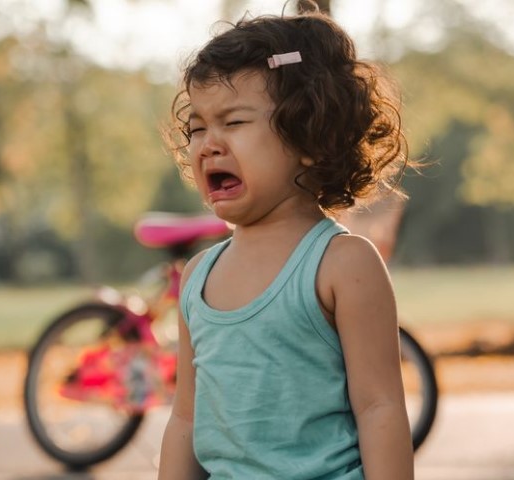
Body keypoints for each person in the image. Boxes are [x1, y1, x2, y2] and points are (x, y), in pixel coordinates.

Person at [157, 8, 415, 480]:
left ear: (309, 138)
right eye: (197, 128)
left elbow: (380, 408)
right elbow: (186, 420)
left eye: (234, 122)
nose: (208, 144)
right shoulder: (198, 277)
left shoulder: (342, 264)